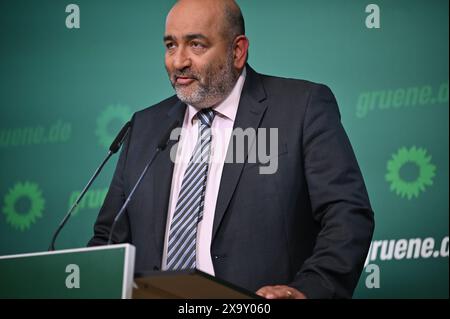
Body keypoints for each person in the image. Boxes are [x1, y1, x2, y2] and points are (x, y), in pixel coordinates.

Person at [88, 0, 374, 299]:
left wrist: (306, 291)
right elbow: (109, 241)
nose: (178, 61)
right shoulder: (144, 128)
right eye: (171, 45)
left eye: (196, 45)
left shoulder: (301, 107)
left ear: (237, 51)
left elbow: (347, 215)